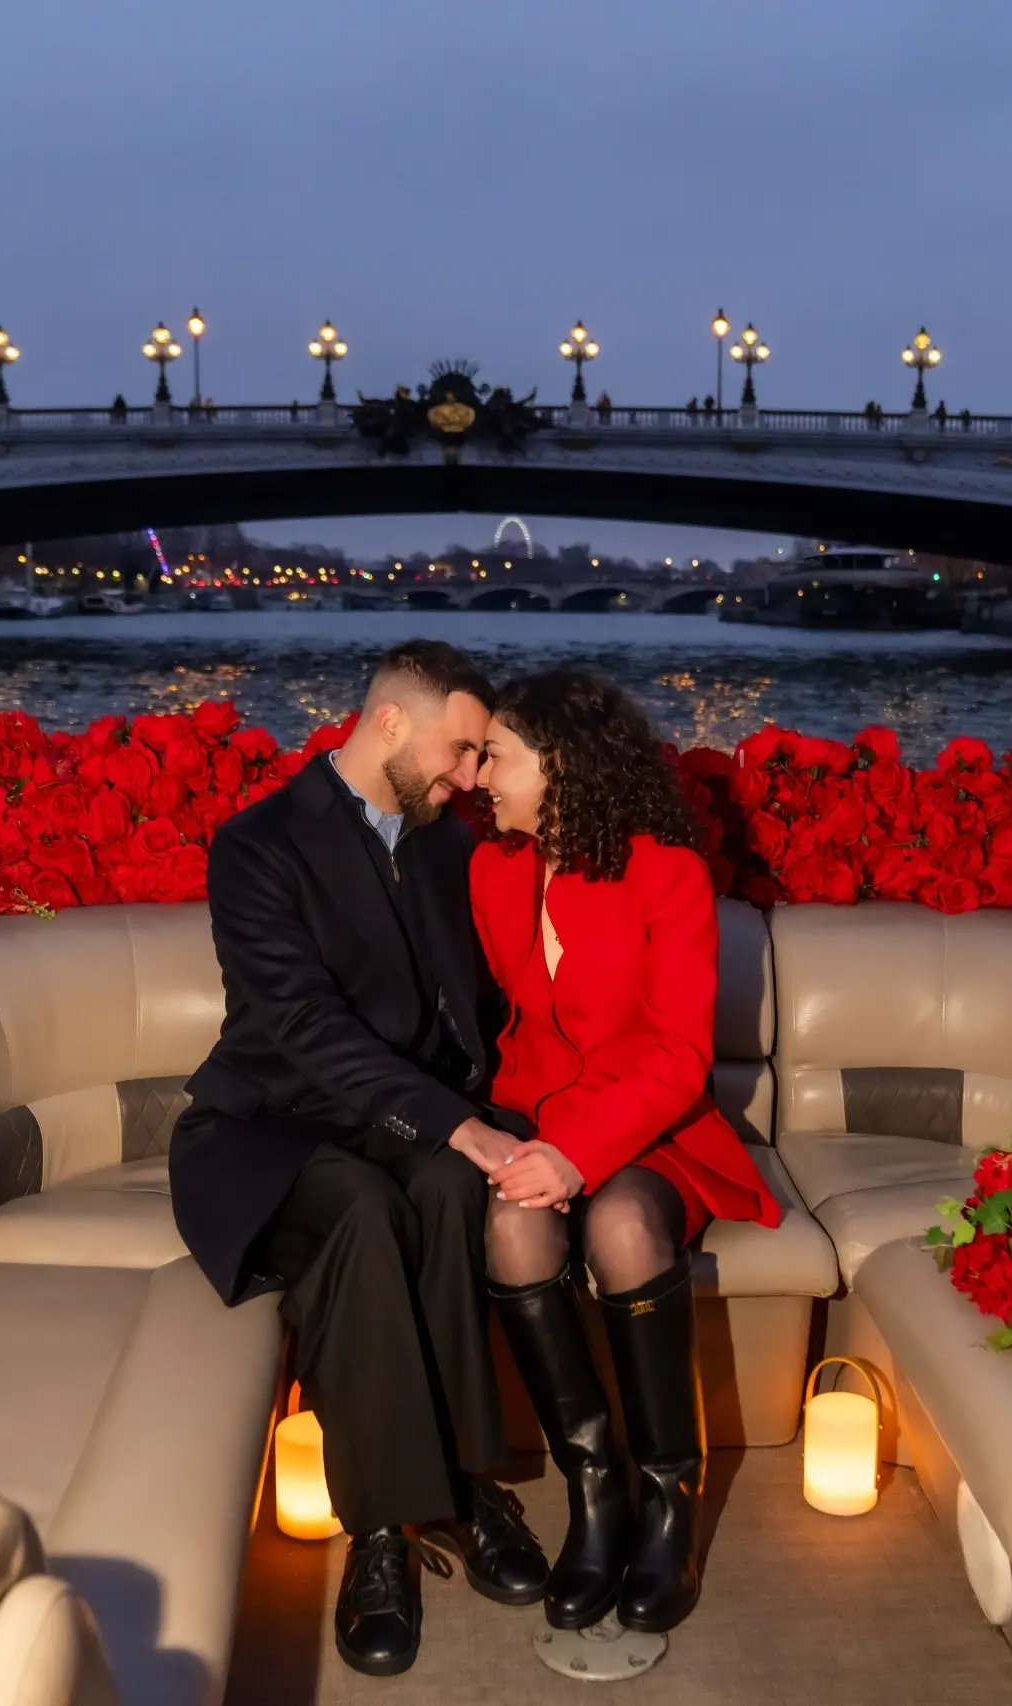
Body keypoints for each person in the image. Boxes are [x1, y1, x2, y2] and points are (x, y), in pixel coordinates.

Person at [173, 641, 548, 1677]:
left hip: (395, 1123)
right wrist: (456, 1119)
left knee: (437, 1182)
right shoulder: (256, 844)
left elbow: (480, 999)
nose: (469, 775)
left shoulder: (440, 841)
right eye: (459, 748)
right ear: (389, 720)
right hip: (267, 1128)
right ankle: (384, 1529)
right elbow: (299, 1023)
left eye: (481, 758)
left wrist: (489, 1118)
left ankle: (468, 1482)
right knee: (361, 1208)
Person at [470, 669, 783, 1635]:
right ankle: (595, 1489)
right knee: (515, 1229)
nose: (481, 775)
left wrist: (576, 1152)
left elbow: (682, 1054)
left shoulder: (667, 871)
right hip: (534, 1119)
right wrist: (525, 1150)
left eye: (499, 756)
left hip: (652, 1130)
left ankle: (669, 1502)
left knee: (623, 1222)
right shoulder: (492, 867)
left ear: (560, 764)